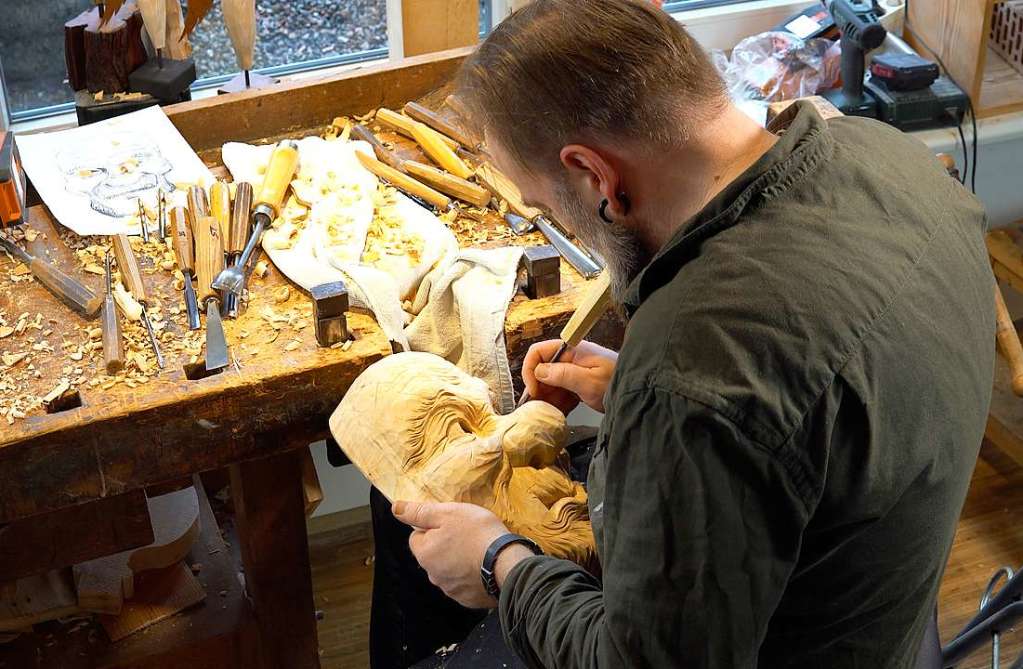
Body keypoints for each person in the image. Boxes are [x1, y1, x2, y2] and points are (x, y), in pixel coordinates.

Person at [381, 0, 996, 667]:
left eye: (543, 203)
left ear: (595, 176)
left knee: (415, 555)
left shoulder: (692, 370)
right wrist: (633, 393)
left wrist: (501, 564)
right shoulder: (886, 158)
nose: (551, 218)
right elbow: (821, 397)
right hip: (879, 605)